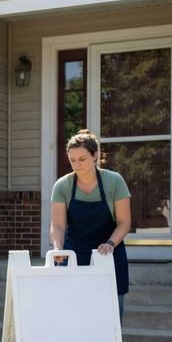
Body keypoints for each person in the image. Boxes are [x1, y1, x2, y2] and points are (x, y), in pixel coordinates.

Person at [50, 129, 131, 321]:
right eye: (72, 160)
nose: (77, 164)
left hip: (109, 256)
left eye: (82, 159)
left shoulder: (114, 181)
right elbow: (58, 225)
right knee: (74, 317)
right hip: (75, 258)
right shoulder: (62, 186)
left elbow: (124, 222)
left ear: (94, 156)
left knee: (111, 318)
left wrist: (110, 243)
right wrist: (57, 249)